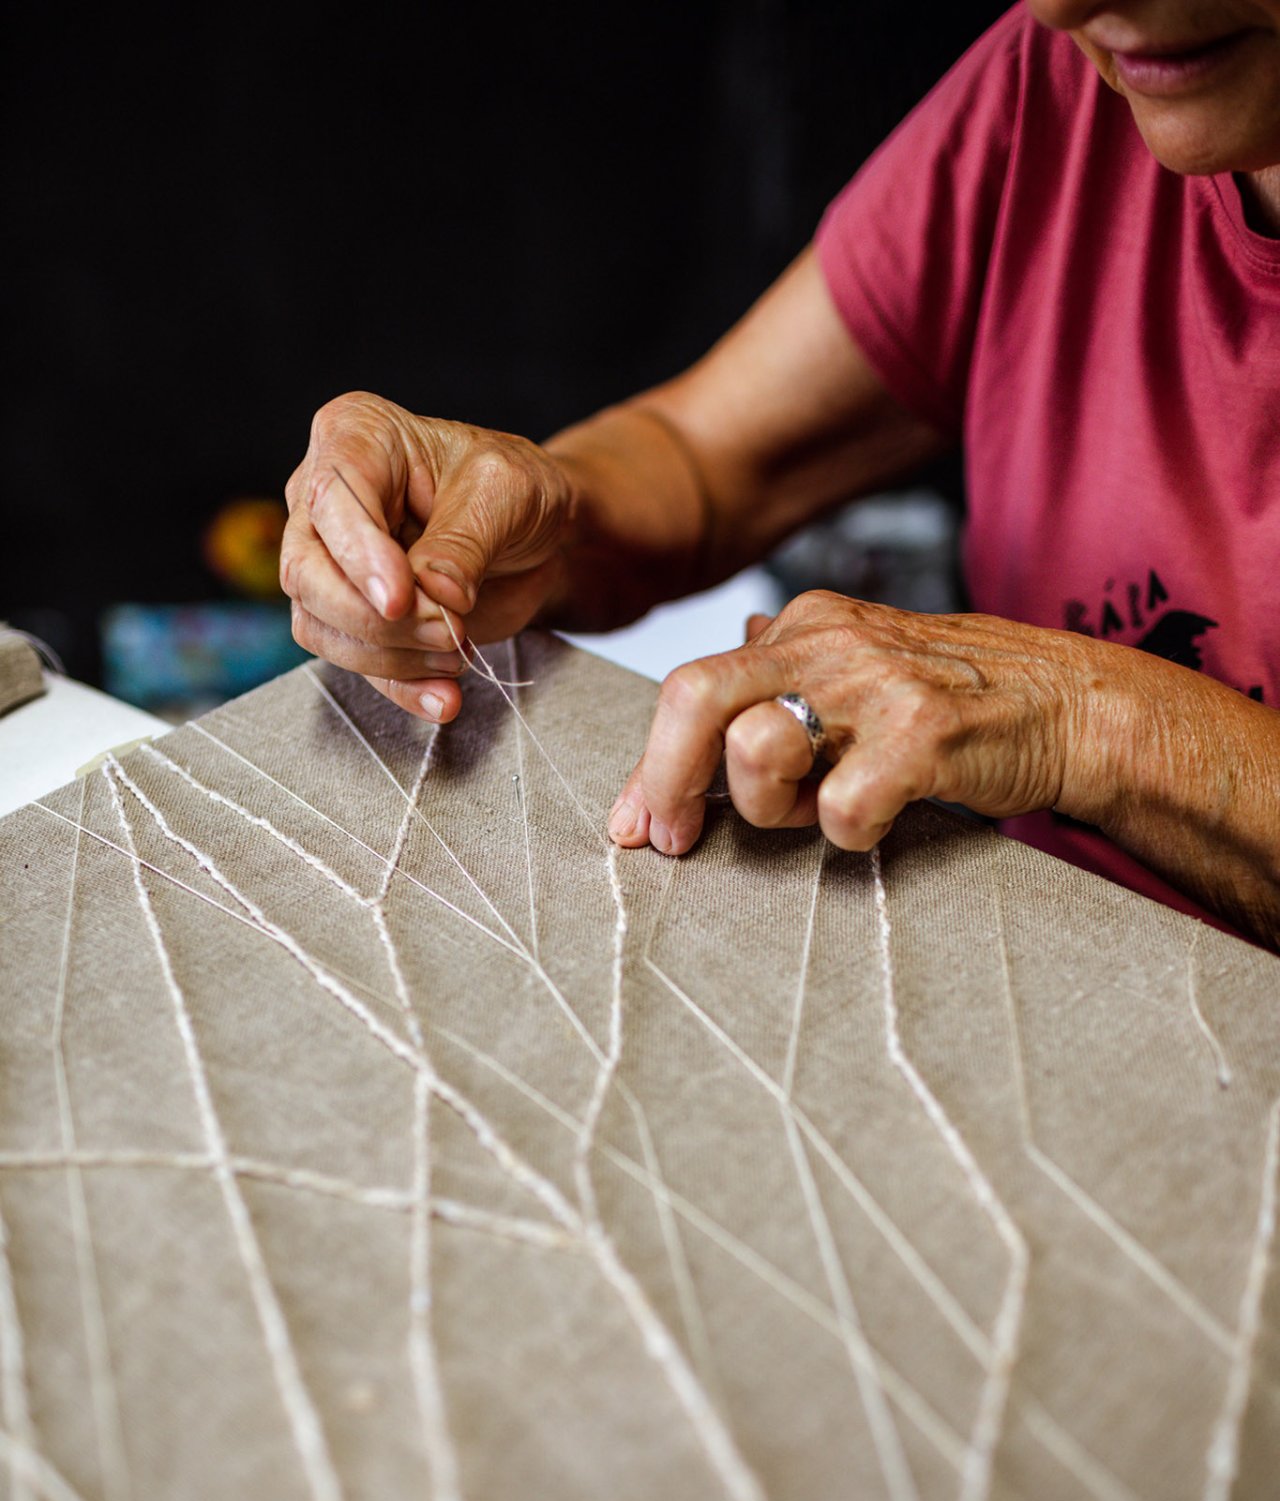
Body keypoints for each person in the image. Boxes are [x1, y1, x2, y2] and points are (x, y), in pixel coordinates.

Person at [280, 0, 1280, 950]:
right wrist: (516, 513)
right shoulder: (1064, 87)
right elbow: (703, 461)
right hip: (1038, 953)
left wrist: (1084, 721)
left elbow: (1072, 717)